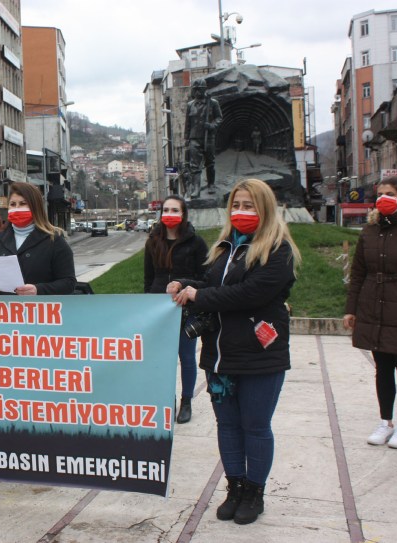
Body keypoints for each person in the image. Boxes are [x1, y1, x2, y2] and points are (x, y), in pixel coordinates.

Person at [167, 179, 301, 525]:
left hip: (260, 354)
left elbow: (249, 293)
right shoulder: (226, 247)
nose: (241, 212)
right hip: (220, 355)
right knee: (227, 425)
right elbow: (215, 285)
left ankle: (254, 492)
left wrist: (199, 296)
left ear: (265, 208)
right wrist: (186, 285)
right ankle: (235, 487)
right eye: (236, 205)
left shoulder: (279, 250)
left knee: (255, 426)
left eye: (249, 205)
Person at [343, 176, 397, 450]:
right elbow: (358, 273)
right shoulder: (370, 230)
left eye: (390, 193)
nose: (384, 198)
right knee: (382, 368)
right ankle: (385, 421)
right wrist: (351, 309)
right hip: (373, 305)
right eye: (380, 193)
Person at [143, 196, 208, 424]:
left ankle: (186, 401)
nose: (169, 214)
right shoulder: (153, 241)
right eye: (166, 210)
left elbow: (205, 278)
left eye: (174, 210)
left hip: (185, 307)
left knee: (186, 357)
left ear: (183, 214)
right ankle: (166, 399)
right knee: (163, 359)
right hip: (158, 307)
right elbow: (148, 277)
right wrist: (147, 305)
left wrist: (185, 286)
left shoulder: (196, 243)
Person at [0, 182, 76, 295]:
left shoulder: (54, 240)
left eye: (23, 203)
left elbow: (69, 283)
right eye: (13, 204)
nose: (17, 208)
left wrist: (38, 290)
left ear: (35, 207)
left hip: (38, 305)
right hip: (4, 305)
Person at [184, 78, 222, 199]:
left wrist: (211, 126)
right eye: (195, 90)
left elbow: (219, 118)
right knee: (194, 166)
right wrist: (186, 138)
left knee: (210, 162)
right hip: (194, 138)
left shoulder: (213, 103)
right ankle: (196, 189)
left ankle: (211, 184)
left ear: (204, 89)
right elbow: (187, 123)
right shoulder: (190, 105)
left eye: (199, 90)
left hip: (208, 137)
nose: (196, 92)